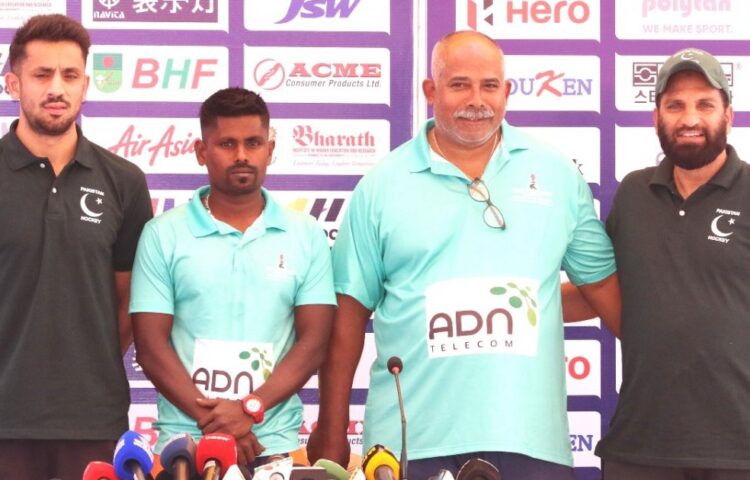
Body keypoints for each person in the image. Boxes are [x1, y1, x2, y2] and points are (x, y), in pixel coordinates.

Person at [307, 31, 620, 480]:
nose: (477, 101)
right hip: (410, 442)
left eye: (489, 86)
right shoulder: (382, 185)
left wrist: (675, 370)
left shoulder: (556, 173)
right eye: (459, 85)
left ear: (507, 91)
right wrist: (332, 430)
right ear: (430, 91)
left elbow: (603, 287)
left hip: (530, 439)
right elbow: (348, 315)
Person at [129, 87, 336, 467]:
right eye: (227, 143)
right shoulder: (162, 234)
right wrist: (221, 422)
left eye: (253, 143)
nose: (242, 155)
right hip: (184, 446)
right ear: (201, 151)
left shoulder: (306, 235)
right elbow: (150, 347)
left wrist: (249, 410)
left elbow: (314, 343)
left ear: (270, 149)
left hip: (273, 443)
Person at [0, 14, 153, 480]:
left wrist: (85, 365)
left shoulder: (125, 181)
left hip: (93, 420)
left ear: (85, 86)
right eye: (42, 74)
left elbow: (129, 303)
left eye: (70, 75)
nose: (57, 88)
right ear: (12, 83)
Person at [595, 48, 750, 479]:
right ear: (656, 118)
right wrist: (522, 301)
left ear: (728, 116)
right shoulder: (633, 193)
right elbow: (601, 288)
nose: (690, 118)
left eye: (705, 104)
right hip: (639, 447)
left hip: (740, 450)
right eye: (675, 105)